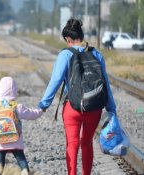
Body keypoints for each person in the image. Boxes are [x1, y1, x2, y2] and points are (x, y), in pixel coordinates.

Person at [38, 18, 117, 175]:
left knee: (72, 144)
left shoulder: (65, 55)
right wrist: (111, 108)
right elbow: (105, 84)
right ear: (81, 36)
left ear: (68, 39)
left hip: (72, 108)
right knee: (87, 143)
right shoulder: (96, 54)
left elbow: (55, 82)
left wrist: (44, 105)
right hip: (94, 108)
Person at [0, 77, 43, 175]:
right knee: (20, 158)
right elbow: (32, 114)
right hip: (15, 140)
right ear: (14, 92)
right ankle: (24, 170)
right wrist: (41, 110)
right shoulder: (17, 107)